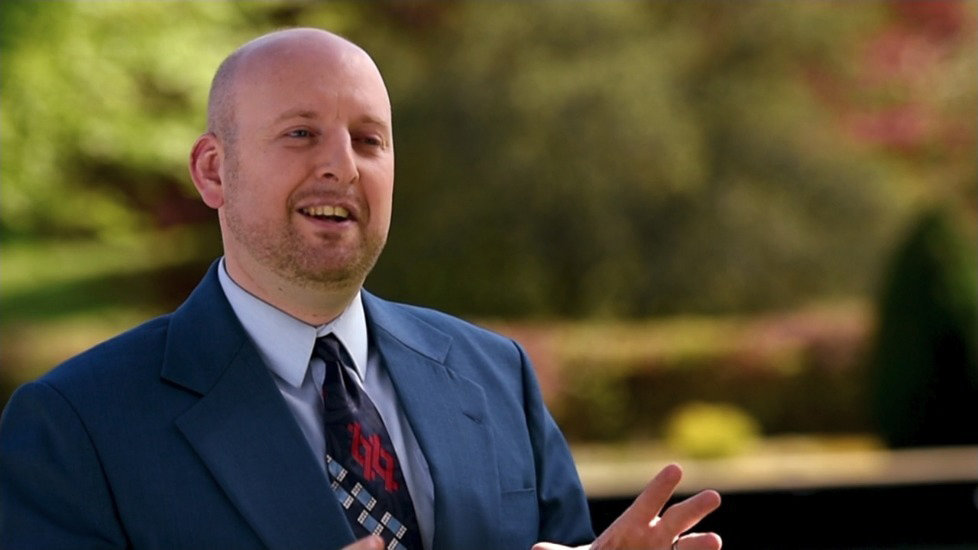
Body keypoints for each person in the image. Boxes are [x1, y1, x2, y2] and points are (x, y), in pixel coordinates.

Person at [0, 28, 721, 550]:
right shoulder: (76, 426)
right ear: (214, 171)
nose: (343, 167)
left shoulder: (497, 374)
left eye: (369, 140)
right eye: (301, 134)